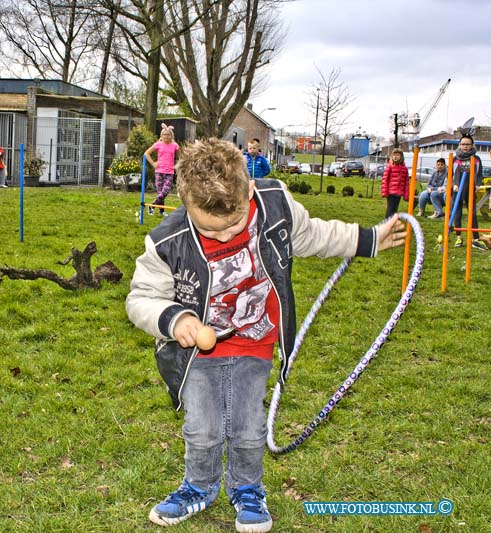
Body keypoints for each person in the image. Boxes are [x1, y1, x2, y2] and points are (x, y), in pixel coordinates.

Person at [125, 138, 406, 533]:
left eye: (234, 226)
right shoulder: (166, 242)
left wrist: (368, 240)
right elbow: (141, 299)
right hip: (195, 354)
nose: (224, 238)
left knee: (248, 425)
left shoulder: (274, 205)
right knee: (202, 427)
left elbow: (313, 236)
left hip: (256, 340)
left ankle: (248, 489)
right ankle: (199, 487)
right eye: (210, 230)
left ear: (250, 191)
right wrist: (175, 319)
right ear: (186, 204)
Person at [450, 135, 487, 249]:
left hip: (469, 187)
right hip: (457, 188)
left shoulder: (476, 159)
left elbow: (479, 173)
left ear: (472, 145)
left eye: (468, 144)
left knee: (472, 213)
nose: (465, 146)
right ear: (460, 145)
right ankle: (459, 237)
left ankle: (475, 239)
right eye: (463, 144)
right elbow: (451, 173)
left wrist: (477, 184)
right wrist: (454, 184)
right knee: (457, 213)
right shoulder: (455, 159)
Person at [145, 123, 179, 216]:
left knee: (165, 191)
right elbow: (146, 153)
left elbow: (181, 156)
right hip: (159, 171)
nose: (166, 136)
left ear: (171, 135)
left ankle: (152, 205)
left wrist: (177, 165)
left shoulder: (175, 145)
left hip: (169, 172)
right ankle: (162, 211)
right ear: (161, 135)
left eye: (168, 134)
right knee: (160, 193)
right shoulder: (158, 144)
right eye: (164, 134)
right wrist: (153, 163)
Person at [381, 148, 409, 218]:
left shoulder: (404, 169)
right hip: (390, 192)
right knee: (390, 208)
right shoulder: (390, 166)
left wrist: (406, 195)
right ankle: (387, 223)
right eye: (394, 155)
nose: (395, 156)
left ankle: (393, 223)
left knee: (395, 209)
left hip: (399, 193)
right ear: (392, 156)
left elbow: (406, 182)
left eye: (397, 155)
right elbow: (385, 180)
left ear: (401, 157)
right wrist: (385, 192)